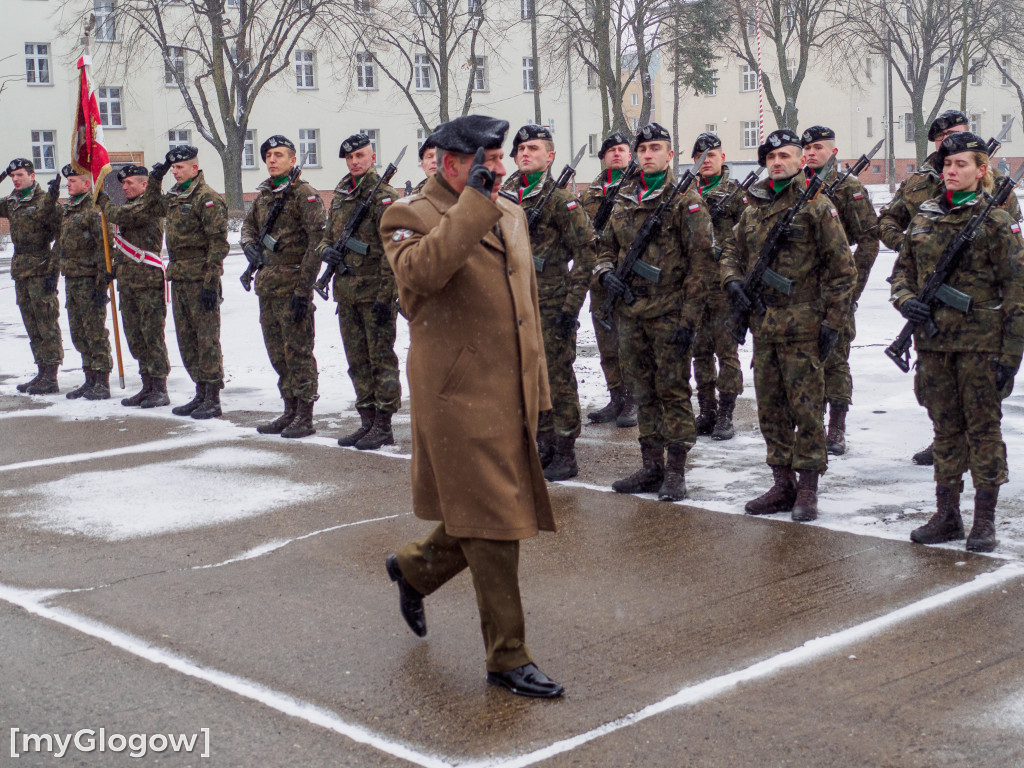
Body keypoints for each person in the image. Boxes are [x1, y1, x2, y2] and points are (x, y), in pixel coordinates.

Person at [380, 114, 563, 699]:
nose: (502, 169)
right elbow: (420, 278)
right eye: (489, 160)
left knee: (491, 511)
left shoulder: (509, 211)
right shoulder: (408, 215)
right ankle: (508, 655)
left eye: (502, 159)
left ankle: (414, 568)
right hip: (458, 398)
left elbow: (524, 305)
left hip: (511, 391)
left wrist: (538, 390)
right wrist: (472, 206)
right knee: (496, 524)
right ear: (452, 162)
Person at [890, 131, 1024, 552]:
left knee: (983, 432)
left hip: (980, 348)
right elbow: (901, 274)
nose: (951, 171)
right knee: (945, 430)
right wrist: (907, 301)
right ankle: (947, 514)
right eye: (947, 165)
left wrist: (1011, 355)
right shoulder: (924, 218)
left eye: (961, 164)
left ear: (982, 171)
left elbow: (1017, 292)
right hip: (933, 346)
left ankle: (983, 521)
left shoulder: (997, 221)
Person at [721, 129, 856, 522]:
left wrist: (832, 322)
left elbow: (842, 270)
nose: (777, 162)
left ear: (800, 160)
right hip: (764, 325)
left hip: (804, 327)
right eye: (771, 157)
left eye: (785, 156)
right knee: (771, 409)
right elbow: (730, 250)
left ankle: (809, 488)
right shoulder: (753, 208)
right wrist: (732, 281)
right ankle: (782, 484)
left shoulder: (817, 206)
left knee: (807, 410)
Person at [879, 110, 1022, 466]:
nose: (952, 166)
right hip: (933, 321)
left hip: (977, 325)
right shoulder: (918, 185)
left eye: (958, 138)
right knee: (941, 412)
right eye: (944, 142)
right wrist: (911, 246)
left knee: (983, 423)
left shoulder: (994, 191)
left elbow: (1012, 266)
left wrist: (1011, 350)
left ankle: (983, 507)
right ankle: (947, 499)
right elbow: (889, 227)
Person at [593, 122, 714, 501]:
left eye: (655, 148)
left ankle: (676, 471)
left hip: (670, 314)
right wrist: (606, 273)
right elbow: (604, 247)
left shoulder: (685, 201)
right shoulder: (624, 197)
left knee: (673, 391)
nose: (647, 154)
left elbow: (702, 263)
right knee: (644, 391)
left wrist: (689, 320)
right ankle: (651, 466)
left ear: (669, 155)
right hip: (631, 313)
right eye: (643, 149)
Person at [502, 124, 596, 481]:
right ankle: (539, 445)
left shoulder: (560, 201)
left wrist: (571, 304)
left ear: (550, 156)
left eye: (534, 149)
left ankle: (564, 450)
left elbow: (587, 251)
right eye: (521, 149)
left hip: (550, 304)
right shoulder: (505, 195)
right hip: (512, 303)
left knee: (555, 378)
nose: (526, 154)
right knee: (523, 377)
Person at [318, 133, 401, 450]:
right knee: (357, 362)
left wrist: (386, 296)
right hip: (347, 294)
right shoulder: (340, 196)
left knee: (381, 361)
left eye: (361, 156)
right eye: (350, 158)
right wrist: (327, 251)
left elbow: (393, 251)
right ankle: (367, 421)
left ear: (372, 156)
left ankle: (384, 424)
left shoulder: (385, 198)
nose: (355, 162)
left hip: (375, 295)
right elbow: (326, 235)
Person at [800, 126, 880, 455]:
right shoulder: (795, 187)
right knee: (805, 360)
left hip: (836, 291)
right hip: (801, 294)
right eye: (807, 147)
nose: (811, 153)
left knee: (835, 360)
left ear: (833, 151)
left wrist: (851, 289)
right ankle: (810, 422)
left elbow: (869, 240)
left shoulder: (849, 188)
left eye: (818, 147)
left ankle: (836, 426)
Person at [241, 135, 327, 438]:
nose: (272, 160)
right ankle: (289, 410)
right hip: (267, 287)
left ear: (293, 160)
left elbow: (317, 244)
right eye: (268, 156)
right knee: (277, 352)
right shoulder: (264, 194)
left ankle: (305, 415)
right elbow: (248, 226)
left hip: (293, 287)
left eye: (279, 155)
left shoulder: (305, 195)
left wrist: (304, 291)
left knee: (299, 352)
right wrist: (249, 245)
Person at [142, 145, 229, 419]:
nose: (176, 172)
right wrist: (156, 179)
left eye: (181, 167)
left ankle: (213, 397)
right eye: (174, 168)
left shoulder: (207, 198)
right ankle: (200, 391)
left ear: (195, 167)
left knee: (206, 341)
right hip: (179, 277)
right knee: (187, 339)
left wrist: (211, 282)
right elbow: (149, 206)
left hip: (201, 279)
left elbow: (218, 244)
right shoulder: (174, 197)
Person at [96, 164, 171, 408]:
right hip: (128, 283)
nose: (125, 187)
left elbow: (120, 217)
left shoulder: (147, 205)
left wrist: (104, 200)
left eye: (129, 183)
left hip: (147, 283)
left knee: (152, 336)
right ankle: (146, 385)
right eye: (123, 183)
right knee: (135, 336)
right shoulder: (129, 205)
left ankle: (159, 388)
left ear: (144, 185)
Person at [580, 131, 638, 429]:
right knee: (606, 342)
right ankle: (616, 397)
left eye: (622, 149)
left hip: (629, 277)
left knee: (628, 341)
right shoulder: (591, 193)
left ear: (631, 155)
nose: (617, 154)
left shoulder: (640, 187)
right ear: (603, 157)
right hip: (598, 277)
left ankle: (632, 399)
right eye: (611, 150)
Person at [691, 132, 746, 441]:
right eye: (701, 154)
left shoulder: (737, 194)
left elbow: (747, 239)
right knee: (699, 352)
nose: (706, 159)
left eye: (712, 154)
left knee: (726, 352)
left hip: (724, 287)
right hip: (695, 286)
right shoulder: (685, 193)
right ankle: (707, 410)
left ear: (722, 158)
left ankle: (726, 413)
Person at [0, 158, 62, 394]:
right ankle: (41, 371)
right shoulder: (12, 202)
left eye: (20, 175)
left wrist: (52, 270)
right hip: (21, 269)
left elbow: (61, 238)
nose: (16, 179)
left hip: (41, 268)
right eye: (12, 175)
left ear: (32, 176)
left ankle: (52, 375)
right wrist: (2, 177)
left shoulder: (47, 202)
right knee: (31, 324)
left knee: (46, 323)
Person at [57, 164, 114, 400]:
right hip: (72, 279)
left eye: (73, 180)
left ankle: (102, 380)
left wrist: (102, 284)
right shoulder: (68, 210)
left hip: (90, 280)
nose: (68, 183)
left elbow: (104, 247)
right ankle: (89, 378)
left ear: (87, 184)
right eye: (67, 180)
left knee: (94, 332)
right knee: (79, 332)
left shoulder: (93, 210)